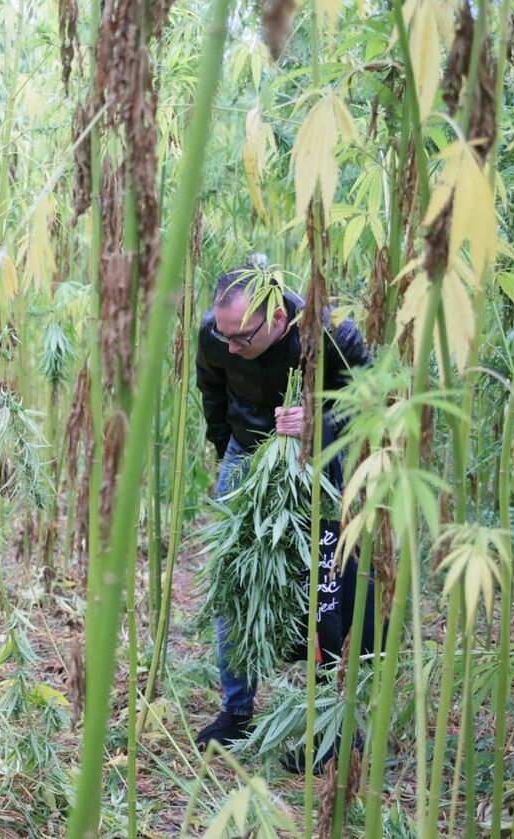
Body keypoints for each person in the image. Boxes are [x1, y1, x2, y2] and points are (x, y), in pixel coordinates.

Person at [192, 260, 370, 757]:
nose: (229, 346)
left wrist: (319, 423)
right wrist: (230, 459)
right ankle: (237, 712)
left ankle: (335, 724)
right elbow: (212, 395)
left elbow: (375, 400)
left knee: (323, 588)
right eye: (223, 335)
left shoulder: (331, 332)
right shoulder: (216, 333)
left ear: (274, 318)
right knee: (235, 583)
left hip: (317, 464)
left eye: (240, 339)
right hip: (247, 455)